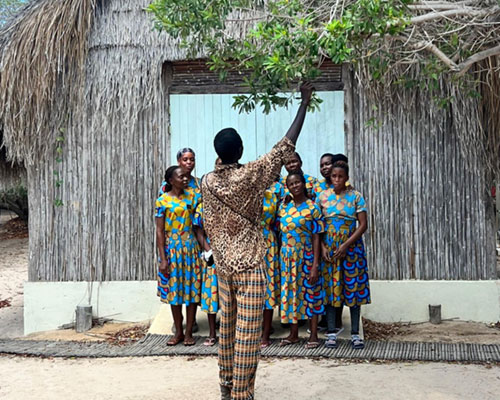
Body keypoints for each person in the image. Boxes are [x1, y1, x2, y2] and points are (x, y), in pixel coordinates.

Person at [200, 83, 313, 400]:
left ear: (218, 152)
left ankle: (225, 387)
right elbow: (285, 145)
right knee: (247, 333)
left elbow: (208, 222)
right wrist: (303, 102)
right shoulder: (250, 175)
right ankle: (242, 393)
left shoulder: (206, 182)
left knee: (227, 330)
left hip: (223, 267)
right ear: (239, 151)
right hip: (249, 265)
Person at [317, 161, 371, 350]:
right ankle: (331, 332)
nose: (337, 179)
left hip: (352, 249)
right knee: (332, 290)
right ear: (329, 177)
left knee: (353, 289)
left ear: (346, 178)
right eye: (334, 176)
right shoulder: (322, 197)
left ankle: (355, 333)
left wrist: (346, 244)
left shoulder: (356, 196)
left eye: (341, 176)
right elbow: (317, 226)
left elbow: (363, 225)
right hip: (330, 250)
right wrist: (323, 247)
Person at [155, 166, 202, 346]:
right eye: (180, 177)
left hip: (190, 248)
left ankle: (189, 332)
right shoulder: (163, 201)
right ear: (171, 180)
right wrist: (163, 258)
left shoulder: (194, 197)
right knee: (175, 292)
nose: (184, 179)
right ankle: (179, 331)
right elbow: (159, 231)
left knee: (190, 291)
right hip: (172, 249)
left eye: (185, 177)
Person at [278, 172, 326, 349]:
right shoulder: (284, 207)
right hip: (287, 259)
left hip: (306, 256)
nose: (295, 186)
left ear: (303, 183)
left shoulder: (313, 208)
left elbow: (316, 237)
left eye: (297, 182)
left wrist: (315, 265)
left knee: (310, 293)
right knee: (291, 293)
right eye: (291, 184)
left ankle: (313, 335)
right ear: (288, 187)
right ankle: (293, 334)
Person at [193, 201, 219, 346]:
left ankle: (232, 331)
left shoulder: (229, 203)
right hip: (211, 256)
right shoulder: (202, 207)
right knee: (211, 293)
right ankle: (212, 333)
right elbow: (199, 232)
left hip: (230, 253)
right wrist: (209, 251)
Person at [260, 185, 281, 348]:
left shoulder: (272, 197)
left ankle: (265, 334)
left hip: (269, 243)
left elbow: (277, 221)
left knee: (268, 289)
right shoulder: (243, 195)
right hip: (247, 243)